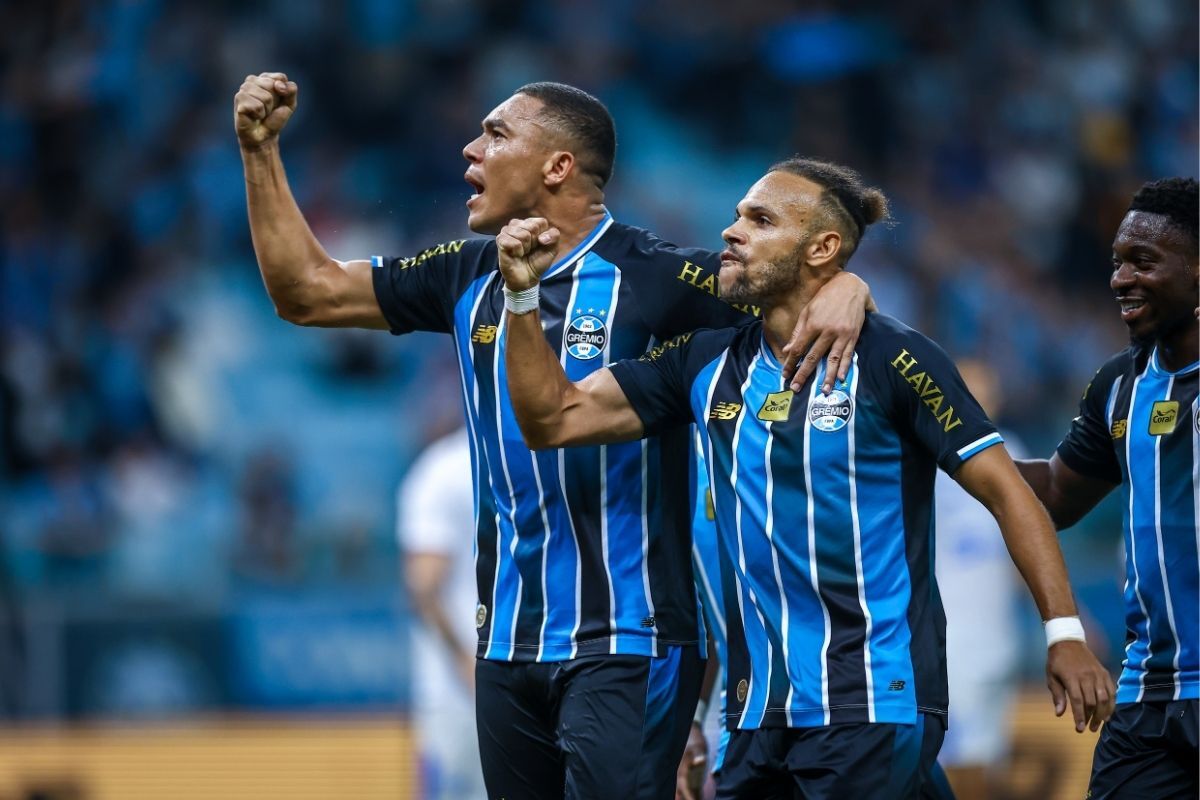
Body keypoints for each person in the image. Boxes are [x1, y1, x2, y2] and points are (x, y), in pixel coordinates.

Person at [234, 73, 872, 798]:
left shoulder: (658, 279)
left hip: (629, 639)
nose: (471, 151)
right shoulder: (465, 273)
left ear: (558, 166)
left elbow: (799, 290)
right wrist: (260, 151)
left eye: (496, 134)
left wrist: (847, 287)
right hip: (505, 644)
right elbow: (306, 292)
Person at [496, 157, 1115, 798]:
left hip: (869, 697)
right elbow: (555, 419)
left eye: (759, 219)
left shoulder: (892, 358)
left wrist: (1063, 632)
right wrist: (519, 296)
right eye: (736, 215)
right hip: (760, 713)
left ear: (823, 249)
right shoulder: (704, 363)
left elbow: (1008, 492)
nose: (731, 231)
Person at [1014, 177, 1198, 799]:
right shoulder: (1120, 384)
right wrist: (952, 452)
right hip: (1150, 695)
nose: (1120, 279)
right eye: (1118, 261)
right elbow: (1061, 497)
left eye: (1144, 262)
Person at [932, 360, 1023, 800]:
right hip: (953, 642)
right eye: (974, 388)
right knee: (958, 761)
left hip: (999, 640)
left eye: (991, 388)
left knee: (990, 760)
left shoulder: (1015, 451)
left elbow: (1022, 553)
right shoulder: (927, 457)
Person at [397, 427, 487, 800]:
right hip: (460, 688)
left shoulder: (441, 467)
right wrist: (463, 659)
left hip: (475, 678)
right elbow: (424, 587)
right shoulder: (445, 469)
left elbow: (423, 584)